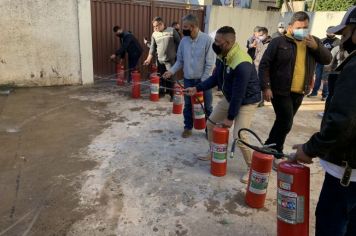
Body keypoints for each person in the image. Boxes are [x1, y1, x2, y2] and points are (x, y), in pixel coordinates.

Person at [292, 6, 356, 236]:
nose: (343, 39)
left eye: (346, 33)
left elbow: (342, 121)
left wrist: (310, 149)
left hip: (346, 176)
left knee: (332, 225)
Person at [185, 26, 261, 184]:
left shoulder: (242, 62)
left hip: (247, 100)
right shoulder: (222, 54)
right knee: (211, 124)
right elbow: (215, 79)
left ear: (227, 43)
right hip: (230, 96)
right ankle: (213, 152)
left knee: (240, 136)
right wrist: (197, 88)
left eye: (217, 42)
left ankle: (252, 168)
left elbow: (239, 93)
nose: (215, 44)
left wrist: (230, 118)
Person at [258, 11, 332, 168]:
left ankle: (268, 148)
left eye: (305, 27)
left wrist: (316, 47)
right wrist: (266, 87)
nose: (303, 30)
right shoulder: (278, 42)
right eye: (299, 27)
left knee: (283, 122)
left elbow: (327, 59)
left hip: (299, 91)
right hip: (280, 90)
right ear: (290, 27)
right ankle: (275, 151)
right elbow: (265, 64)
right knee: (286, 122)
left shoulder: (313, 42)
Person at [163, 14, 215, 138]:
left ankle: (209, 130)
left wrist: (201, 83)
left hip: (204, 80)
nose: (182, 29)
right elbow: (180, 61)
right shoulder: (184, 41)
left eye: (185, 27)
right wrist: (171, 71)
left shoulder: (207, 40)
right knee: (187, 105)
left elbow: (210, 64)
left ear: (193, 27)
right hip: (188, 79)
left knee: (207, 106)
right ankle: (188, 127)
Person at [143, 17, 181, 100]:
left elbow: (180, 43)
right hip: (159, 61)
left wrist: (179, 56)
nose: (154, 28)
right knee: (162, 78)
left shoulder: (172, 31)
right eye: (153, 26)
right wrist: (148, 59)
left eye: (156, 26)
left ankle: (172, 94)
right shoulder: (154, 34)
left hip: (170, 61)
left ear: (161, 24)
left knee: (171, 78)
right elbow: (152, 48)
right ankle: (163, 92)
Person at [307, 26, 340, 100]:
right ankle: (314, 92)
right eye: (328, 32)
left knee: (326, 79)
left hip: (330, 63)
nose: (330, 33)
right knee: (318, 78)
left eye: (331, 32)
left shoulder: (338, 42)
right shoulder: (321, 40)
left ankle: (325, 95)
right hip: (320, 62)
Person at [253, 27, 272, 108]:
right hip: (256, 65)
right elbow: (256, 53)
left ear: (266, 34)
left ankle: (261, 101)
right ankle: (257, 99)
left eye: (261, 35)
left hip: (265, 67)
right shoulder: (259, 42)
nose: (259, 37)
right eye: (259, 35)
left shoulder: (272, 43)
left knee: (263, 83)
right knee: (256, 83)